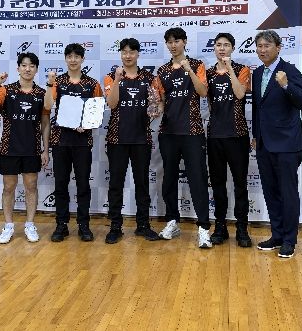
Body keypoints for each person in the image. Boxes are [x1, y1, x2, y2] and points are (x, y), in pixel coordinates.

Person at [252, 30, 302, 259]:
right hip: (264, 143)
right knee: (271, 191)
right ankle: (276, 235)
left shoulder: (290, 70)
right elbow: (258, 108)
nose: (262, 50)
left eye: (267, 45)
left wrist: (286, 86)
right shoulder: (257, 73)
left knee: (288, 193)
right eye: (259, 46)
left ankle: (289, 240)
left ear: (278, 47)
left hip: (287, 144)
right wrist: (255, 135)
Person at [0, 52, 50, 244]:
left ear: (36, 69)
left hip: (31, 149)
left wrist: (45, 149)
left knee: (31, 186)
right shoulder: (6, 90)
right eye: (24, 65)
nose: (27, 69)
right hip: (9, 148)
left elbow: (45, 122)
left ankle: (30, 224)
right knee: (8, 187)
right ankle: (9, 225)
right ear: (18, 68)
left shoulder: (41, 93)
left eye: (31, 66)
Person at [155, 27, 212, 248]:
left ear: (184, 42)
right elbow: (161, 101)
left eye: (176, 41)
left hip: (192, 132)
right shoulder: (162, 70)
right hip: (168, 132)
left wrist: (189, 70)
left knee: (197, 179)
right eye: (169, 42)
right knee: (169, 179)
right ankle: (172, 222)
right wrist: (156, 109)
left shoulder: (197, 65)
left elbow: (203, 92)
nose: (173, 45)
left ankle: (203, 228)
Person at [103, 38, 159, 244]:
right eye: (124, 52)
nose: (128, 56)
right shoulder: (111, 77)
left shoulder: (149, 78)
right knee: (115, 184)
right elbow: (111, 103)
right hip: (116, 138)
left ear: (138, 54)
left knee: (142, 183)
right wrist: (118, 79)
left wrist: (155, 109)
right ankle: (115, 226)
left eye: (132, 52)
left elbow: (155, 106)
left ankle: (143, 225)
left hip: (141, 138)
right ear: (120, 54)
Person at [46, 43, 103, 242]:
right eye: (69, 56)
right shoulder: (58, 82)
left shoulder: (92, 83)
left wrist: (86, 125)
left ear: (82, 59)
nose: (73, 60)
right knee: (60, 184)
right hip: (60, 140)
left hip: (82, 141)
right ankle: (61, 225)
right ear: (65, 59)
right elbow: (48, 106)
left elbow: (98, 110)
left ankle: (83, 225)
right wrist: (50, 84)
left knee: (83, 184)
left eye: (76, 56)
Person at [206, 33, 252, 247]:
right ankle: (220, 227)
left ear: (232, 48)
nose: (222, 48)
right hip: (215, 135)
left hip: (237, 135)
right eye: (218, 45)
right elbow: (207, 100)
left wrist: (230, 69)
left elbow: (240, 94)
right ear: (214, 48)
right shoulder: (208, 73)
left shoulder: (242, 70)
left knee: (240, 184)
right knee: (217, 184)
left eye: (226, 45)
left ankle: (242, 228)